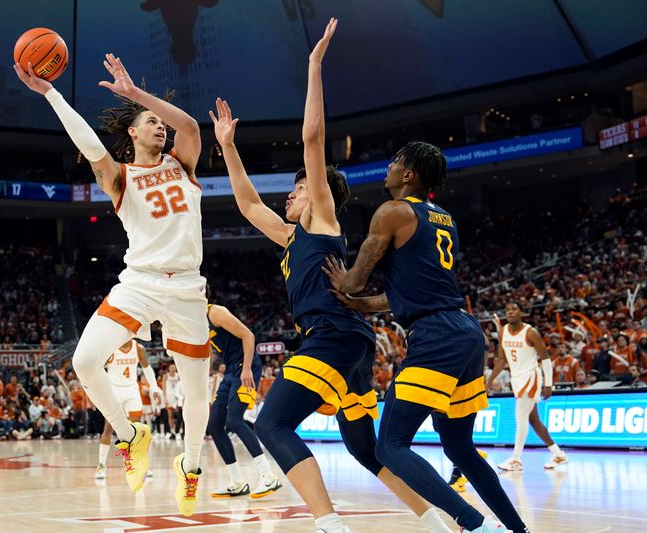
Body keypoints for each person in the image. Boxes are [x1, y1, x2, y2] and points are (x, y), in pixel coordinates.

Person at [211, 19, 453, 533]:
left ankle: (328, 524)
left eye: (297, 190)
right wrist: (228, 146)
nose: (290, 197)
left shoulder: (323, 218)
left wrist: (314, 66)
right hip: (351, 341)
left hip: (334, 337)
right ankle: (435, 519)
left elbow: (313, 138)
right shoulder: (290, 235)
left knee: (273, 424)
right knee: (366, 449)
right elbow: (249, 202)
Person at [15, 51, 210, 515]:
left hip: (187, 287)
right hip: (139, 283)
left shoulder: (184, 165)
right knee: (84, 360)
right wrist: (51, 94)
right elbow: (89, 145)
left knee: (198, 398)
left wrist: (136, 94)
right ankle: (128, 434)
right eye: (149, 121)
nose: (160, 127)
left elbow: (192, 129)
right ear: (132, 133)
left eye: (160, 122)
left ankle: (192, 465)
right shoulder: (119, 178)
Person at [323, 141, 527, 531]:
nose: (388, 167)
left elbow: (356, 279)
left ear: (409, 174)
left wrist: (344, 284)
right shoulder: (443, 217)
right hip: (466, 331)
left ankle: (472, 523)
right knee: (460, 448)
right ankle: (519, 530)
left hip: (435, 336)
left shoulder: (392, 212)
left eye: (395, 162)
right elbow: (416, 288)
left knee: (390, 446)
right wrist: (366, 306)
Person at [206, 301, 281, 499]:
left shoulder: (215, 312)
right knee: (214, 425)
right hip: (230, 370)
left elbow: (248, 335)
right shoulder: (196, 321)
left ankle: (268, 476)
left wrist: (247, 369)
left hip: (245, 367)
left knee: (234, 420)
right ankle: (237, 481)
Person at [488, 303, 568, 471]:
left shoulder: (531, 333)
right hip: (517, 378)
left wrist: (548, 383)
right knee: (533, 420)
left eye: (514, 309)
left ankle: (516, 458)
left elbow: (545, 358)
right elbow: (502, 359)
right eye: (507, 310)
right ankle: (558, 454)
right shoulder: (503, 332)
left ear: (521, 312)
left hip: (531, 377)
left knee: (520, 416)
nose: (510, 312)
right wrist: (489, 380)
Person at [95, 339, 162, 480]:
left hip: (132, 391)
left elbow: (147, 368)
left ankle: (138, 464)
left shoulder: (139, 348)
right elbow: (97, 369)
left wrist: (155, 388)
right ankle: (101, 465)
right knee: (108, 428)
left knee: (136, 430)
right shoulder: (110, 348)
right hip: (114, 391)